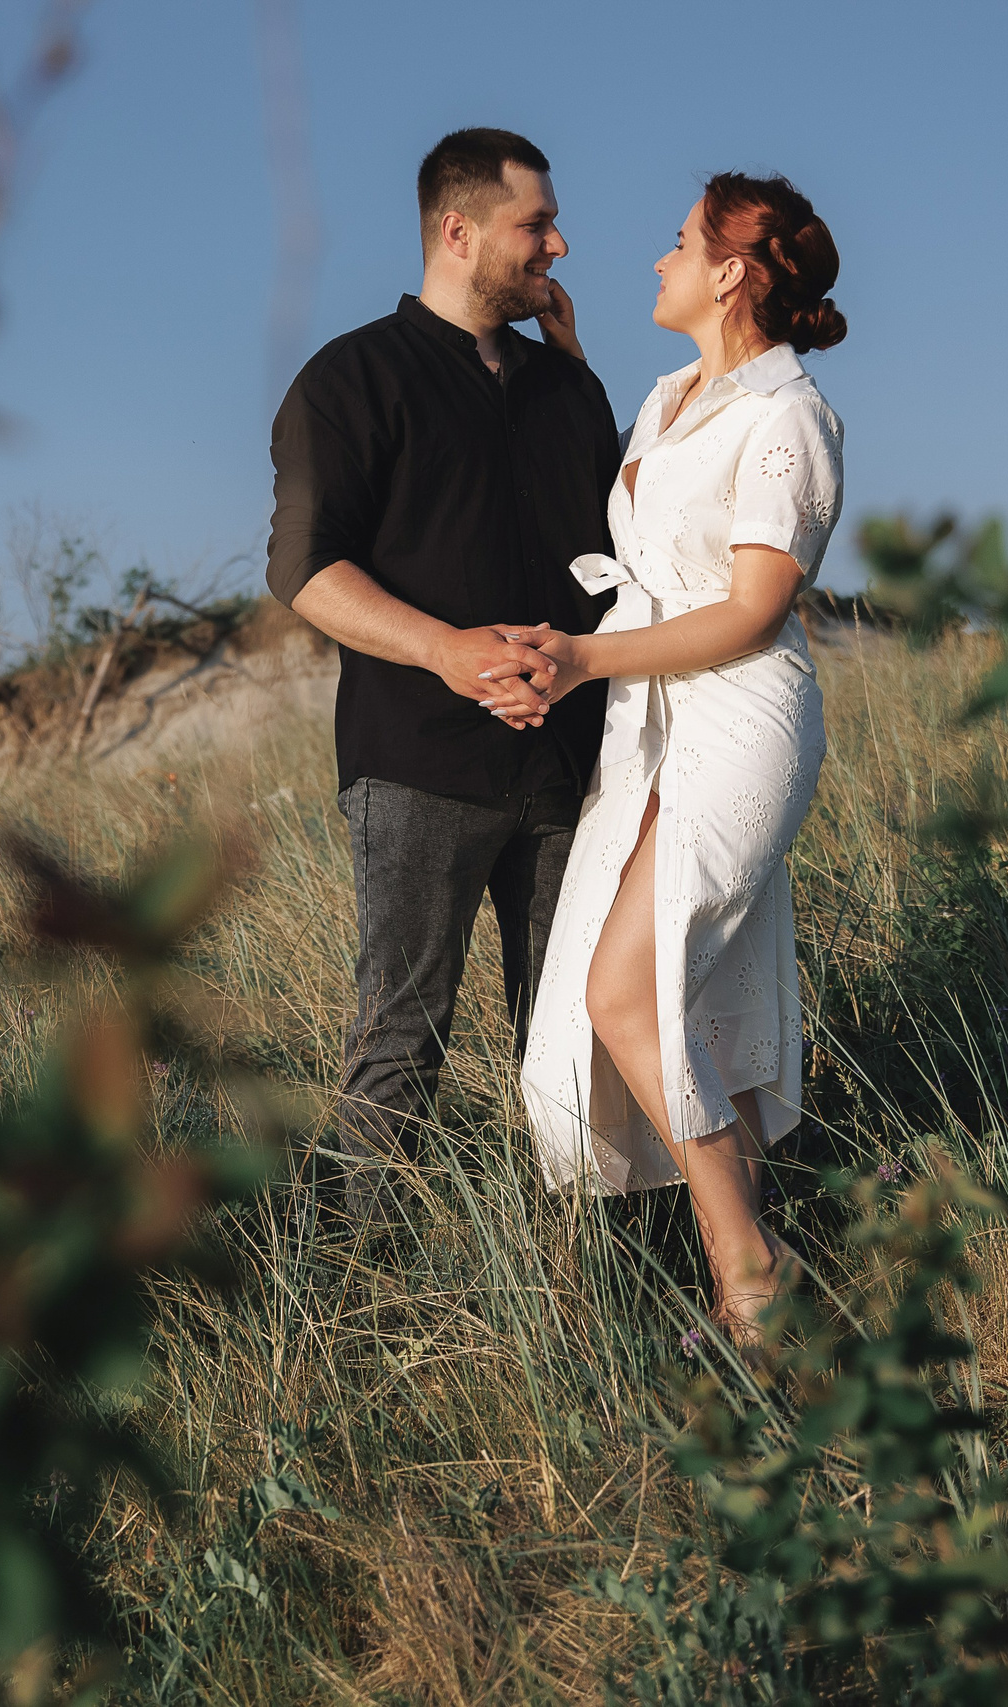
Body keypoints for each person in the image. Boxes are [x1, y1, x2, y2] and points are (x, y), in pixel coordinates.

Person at [502, 171, 847, 1341]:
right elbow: (649, 524)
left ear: (732, 273)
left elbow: (752, 607)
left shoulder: (788, 417)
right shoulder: (664, 396)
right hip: (649, 725)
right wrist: (568, 358)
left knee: (624, 991)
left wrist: (585, 662)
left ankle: (747, 1269)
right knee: (705, 996)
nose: (657, 259)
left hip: (741, 719)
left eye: (679, 242)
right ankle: (776, 1259)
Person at [264, 128, 620, 1225]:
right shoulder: (350, 378)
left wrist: (579, 370)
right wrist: (449, 653)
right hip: (417, 767)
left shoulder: (568, 389)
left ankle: (586, 1295)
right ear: (457, 231)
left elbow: (619, 559)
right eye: (534, 225)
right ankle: (358, 1308)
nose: (558, 244)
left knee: (573, 1046)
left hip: (571, 769)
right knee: (398, 1046)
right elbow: (305, 572)